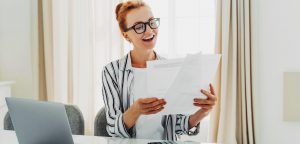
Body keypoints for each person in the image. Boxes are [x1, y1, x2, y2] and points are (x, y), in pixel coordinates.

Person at [101, 0, 217, 141]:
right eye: (139, 26)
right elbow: (113, 129)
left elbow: (177, 126)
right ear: (126, 35)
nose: (149, 31)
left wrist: (203, 112)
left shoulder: (172, 68)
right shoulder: (112, 72)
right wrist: (136, 110)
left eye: (151, 22)